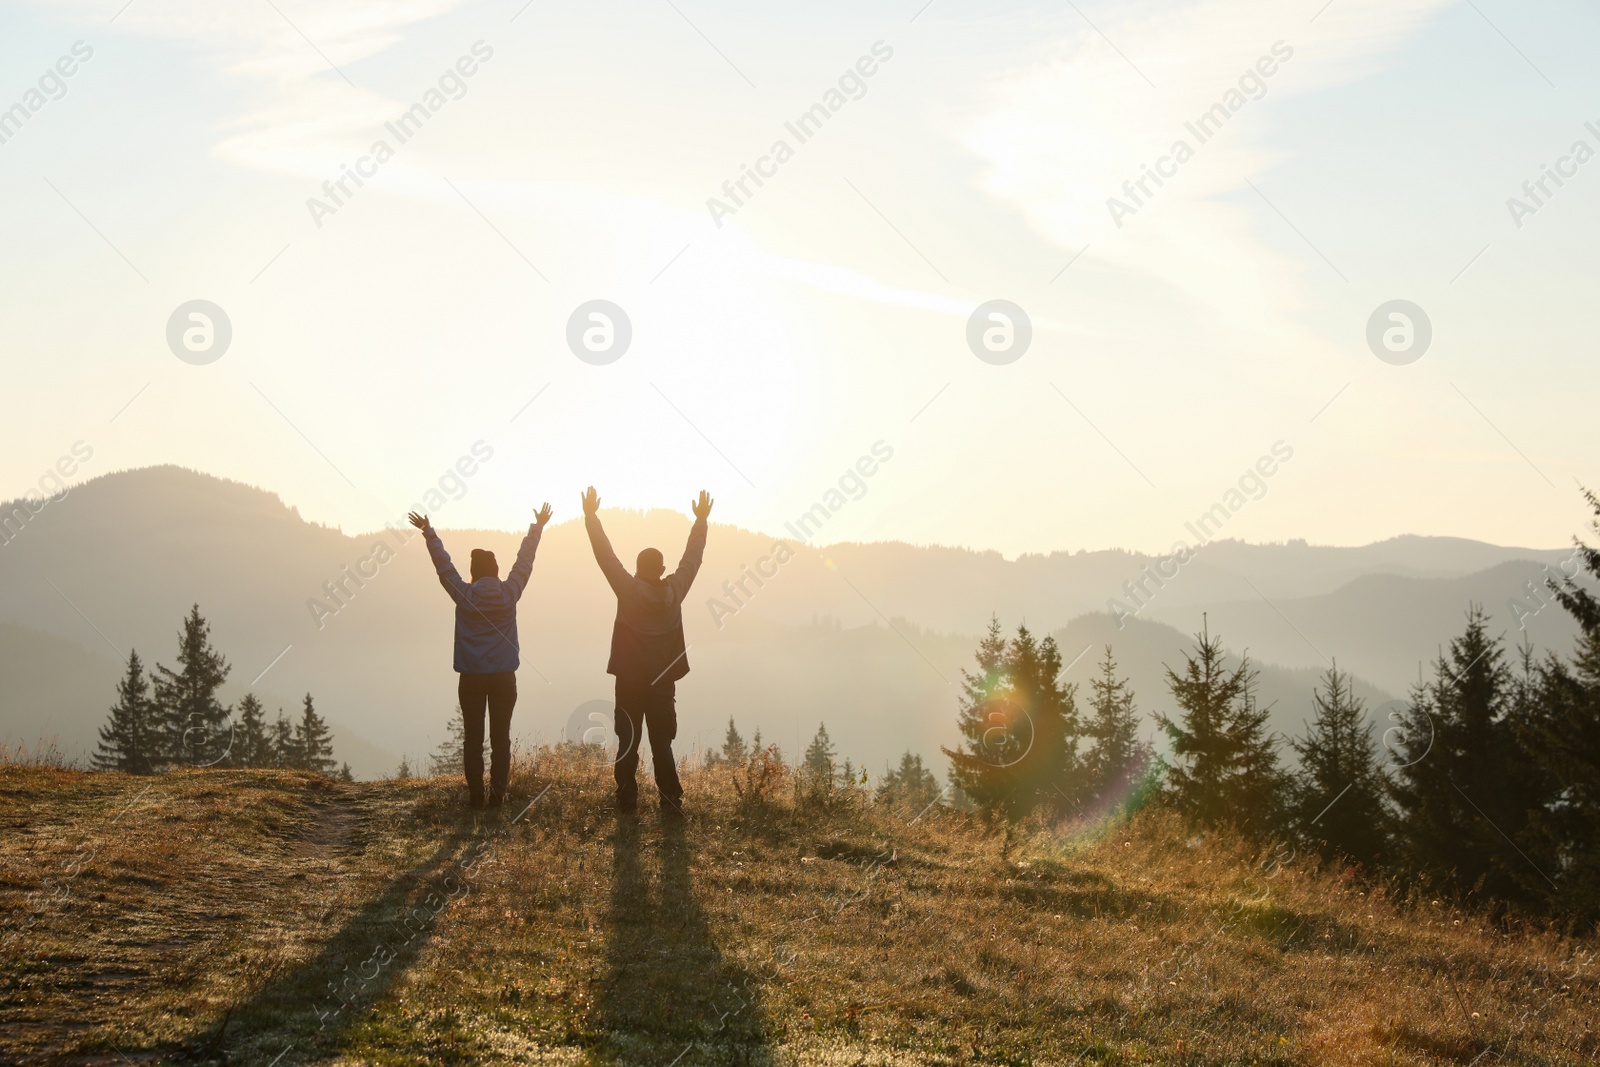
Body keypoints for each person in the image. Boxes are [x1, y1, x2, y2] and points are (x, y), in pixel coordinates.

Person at [408, 503, 551, 809]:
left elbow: (443, 567)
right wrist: (536, 528)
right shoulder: (510, 592)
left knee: (473, 738)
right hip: (504, 678)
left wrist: (429, 533)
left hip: (471, 677)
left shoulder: (463, 594)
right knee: (502, 740)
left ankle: (475, 796)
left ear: (473, 573)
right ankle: (498, 796)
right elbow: (524, 562)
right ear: (497, 571)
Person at [582, 485, 711, 820]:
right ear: (662, 567)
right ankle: (671, 804)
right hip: (662, 684)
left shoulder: (627, 590)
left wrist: (591, 517)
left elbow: (605, 556)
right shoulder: (675, 590)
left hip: (628, 681)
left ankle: (627, 802)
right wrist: (700, 522)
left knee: (628, 743)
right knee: (661, 745)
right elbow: (692, 559)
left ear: (638, 569)